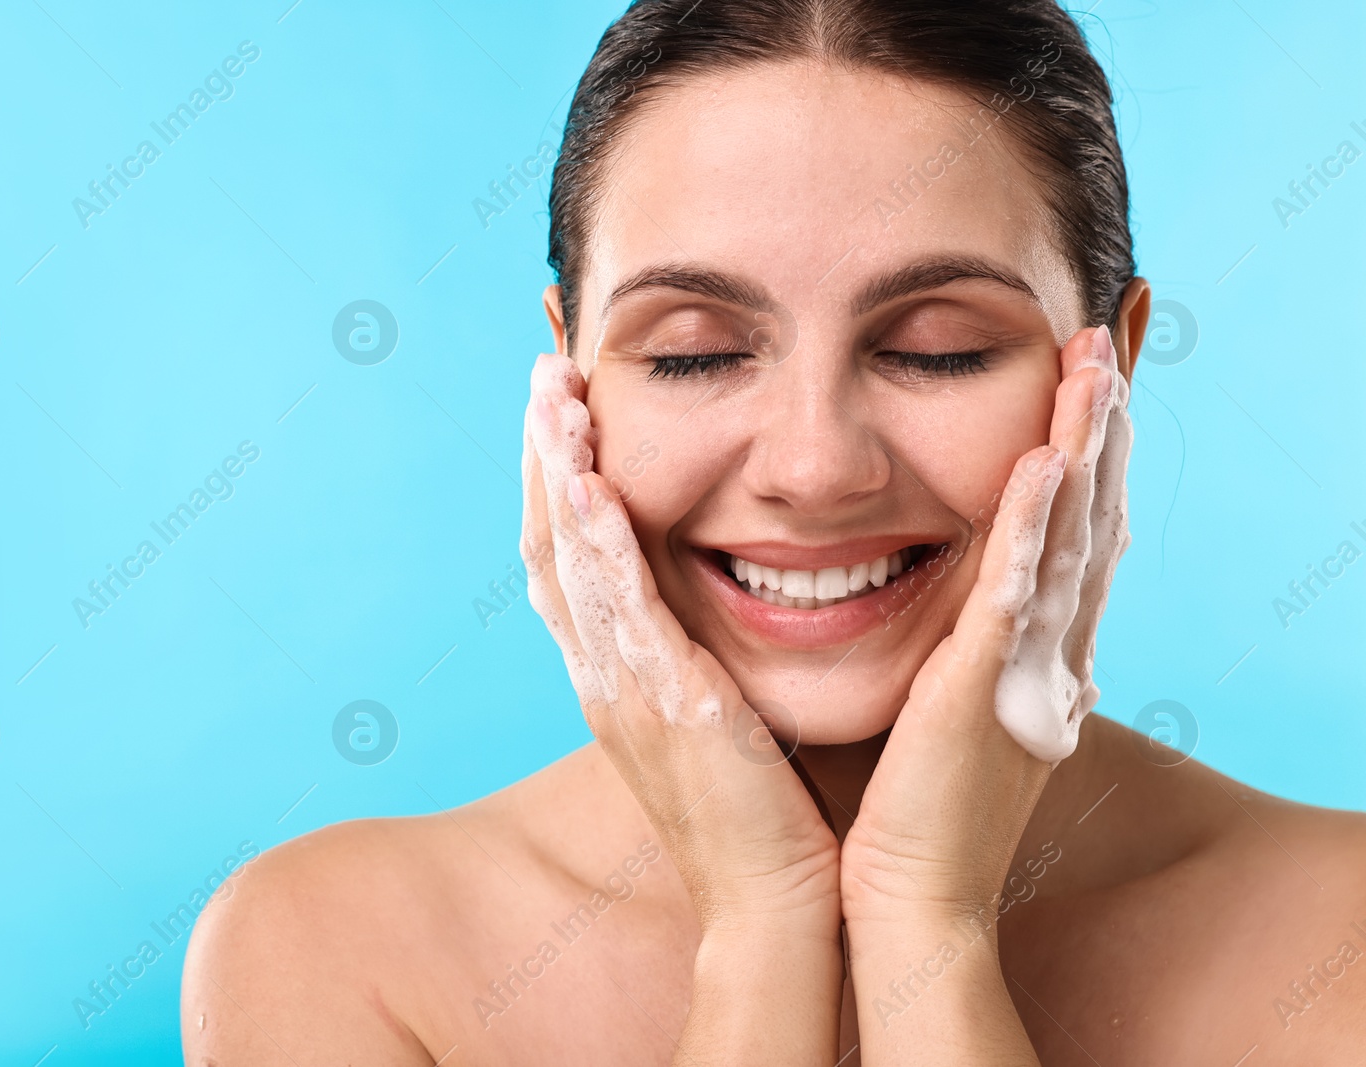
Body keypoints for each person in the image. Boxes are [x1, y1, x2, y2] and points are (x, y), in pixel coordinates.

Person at [181, 1, 1366, 1062]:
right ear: (570, 375)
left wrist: (924, 921)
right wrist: (760, 922)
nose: (812, 467)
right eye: (692, 350)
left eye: (936, 346)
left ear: (1113, 363)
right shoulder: (332, 951)